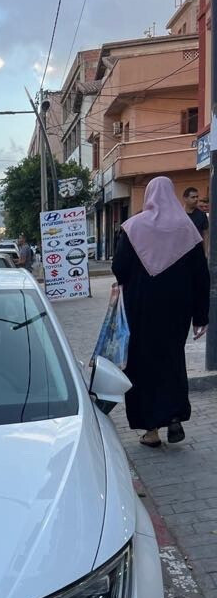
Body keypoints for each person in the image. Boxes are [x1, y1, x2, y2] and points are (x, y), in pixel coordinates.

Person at [112, 176, 209, 448]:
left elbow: (119, 268)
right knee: (171, 361)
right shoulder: (187, 229)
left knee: (142, 365)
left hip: (141, 309)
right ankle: (174, 415)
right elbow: (201, 277)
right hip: (177, 311)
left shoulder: (133, 227)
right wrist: (201, 317)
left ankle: (151, 430)